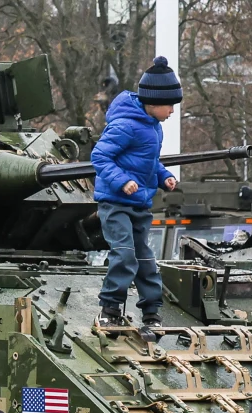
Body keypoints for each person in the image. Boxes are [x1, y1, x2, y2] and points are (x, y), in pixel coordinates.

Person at [91, 55, 181, 339]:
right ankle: (109, 310)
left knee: (146, 260)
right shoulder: (125, 125)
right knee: (125, 255)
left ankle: (152, 312)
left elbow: (148, 162)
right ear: (153, 102)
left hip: (139, 205)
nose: (172, 111)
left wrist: (162, 176)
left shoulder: (154, 127)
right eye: (170, 105)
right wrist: (123, 181)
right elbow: (100, 156)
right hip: (116, 204)